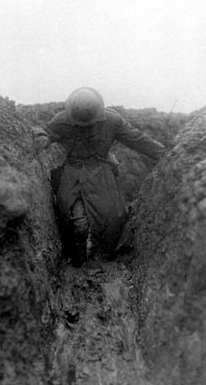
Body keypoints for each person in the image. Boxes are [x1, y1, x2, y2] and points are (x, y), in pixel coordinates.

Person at [34, 87, 165, 267]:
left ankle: (104, 256)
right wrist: (43, 138)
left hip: (100, 172)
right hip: (73, 174)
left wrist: (165, 155)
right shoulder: (63, 120)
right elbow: (47, 132)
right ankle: (77, 260)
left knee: (114, 216)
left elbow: (137, 139)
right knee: (75, 219)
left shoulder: (112, 120)